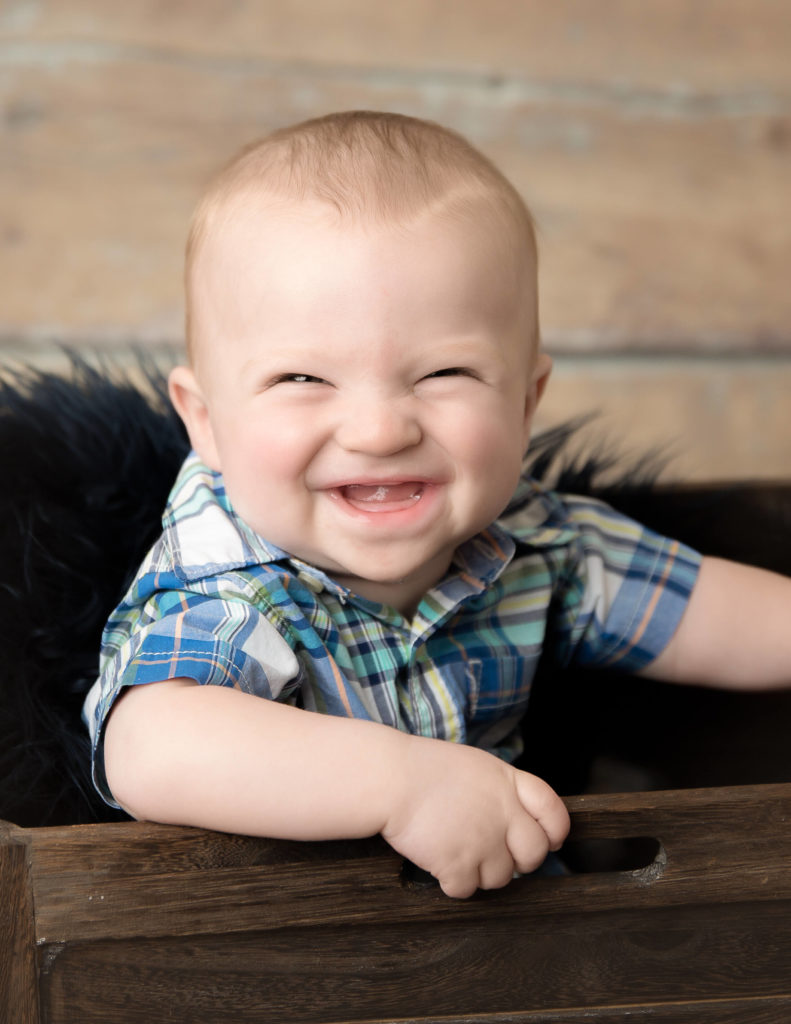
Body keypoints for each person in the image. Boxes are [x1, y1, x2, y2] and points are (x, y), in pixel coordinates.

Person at [83, 111, 791, 899]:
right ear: (206, 421)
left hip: (504, 929)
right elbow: (151, 748)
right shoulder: (232, 580)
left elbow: (705, 611)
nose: (381, 430)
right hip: (281, 942)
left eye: (443, 372)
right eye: (302, 379)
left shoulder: (536, 542)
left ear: (526, 402)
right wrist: (399, 784)